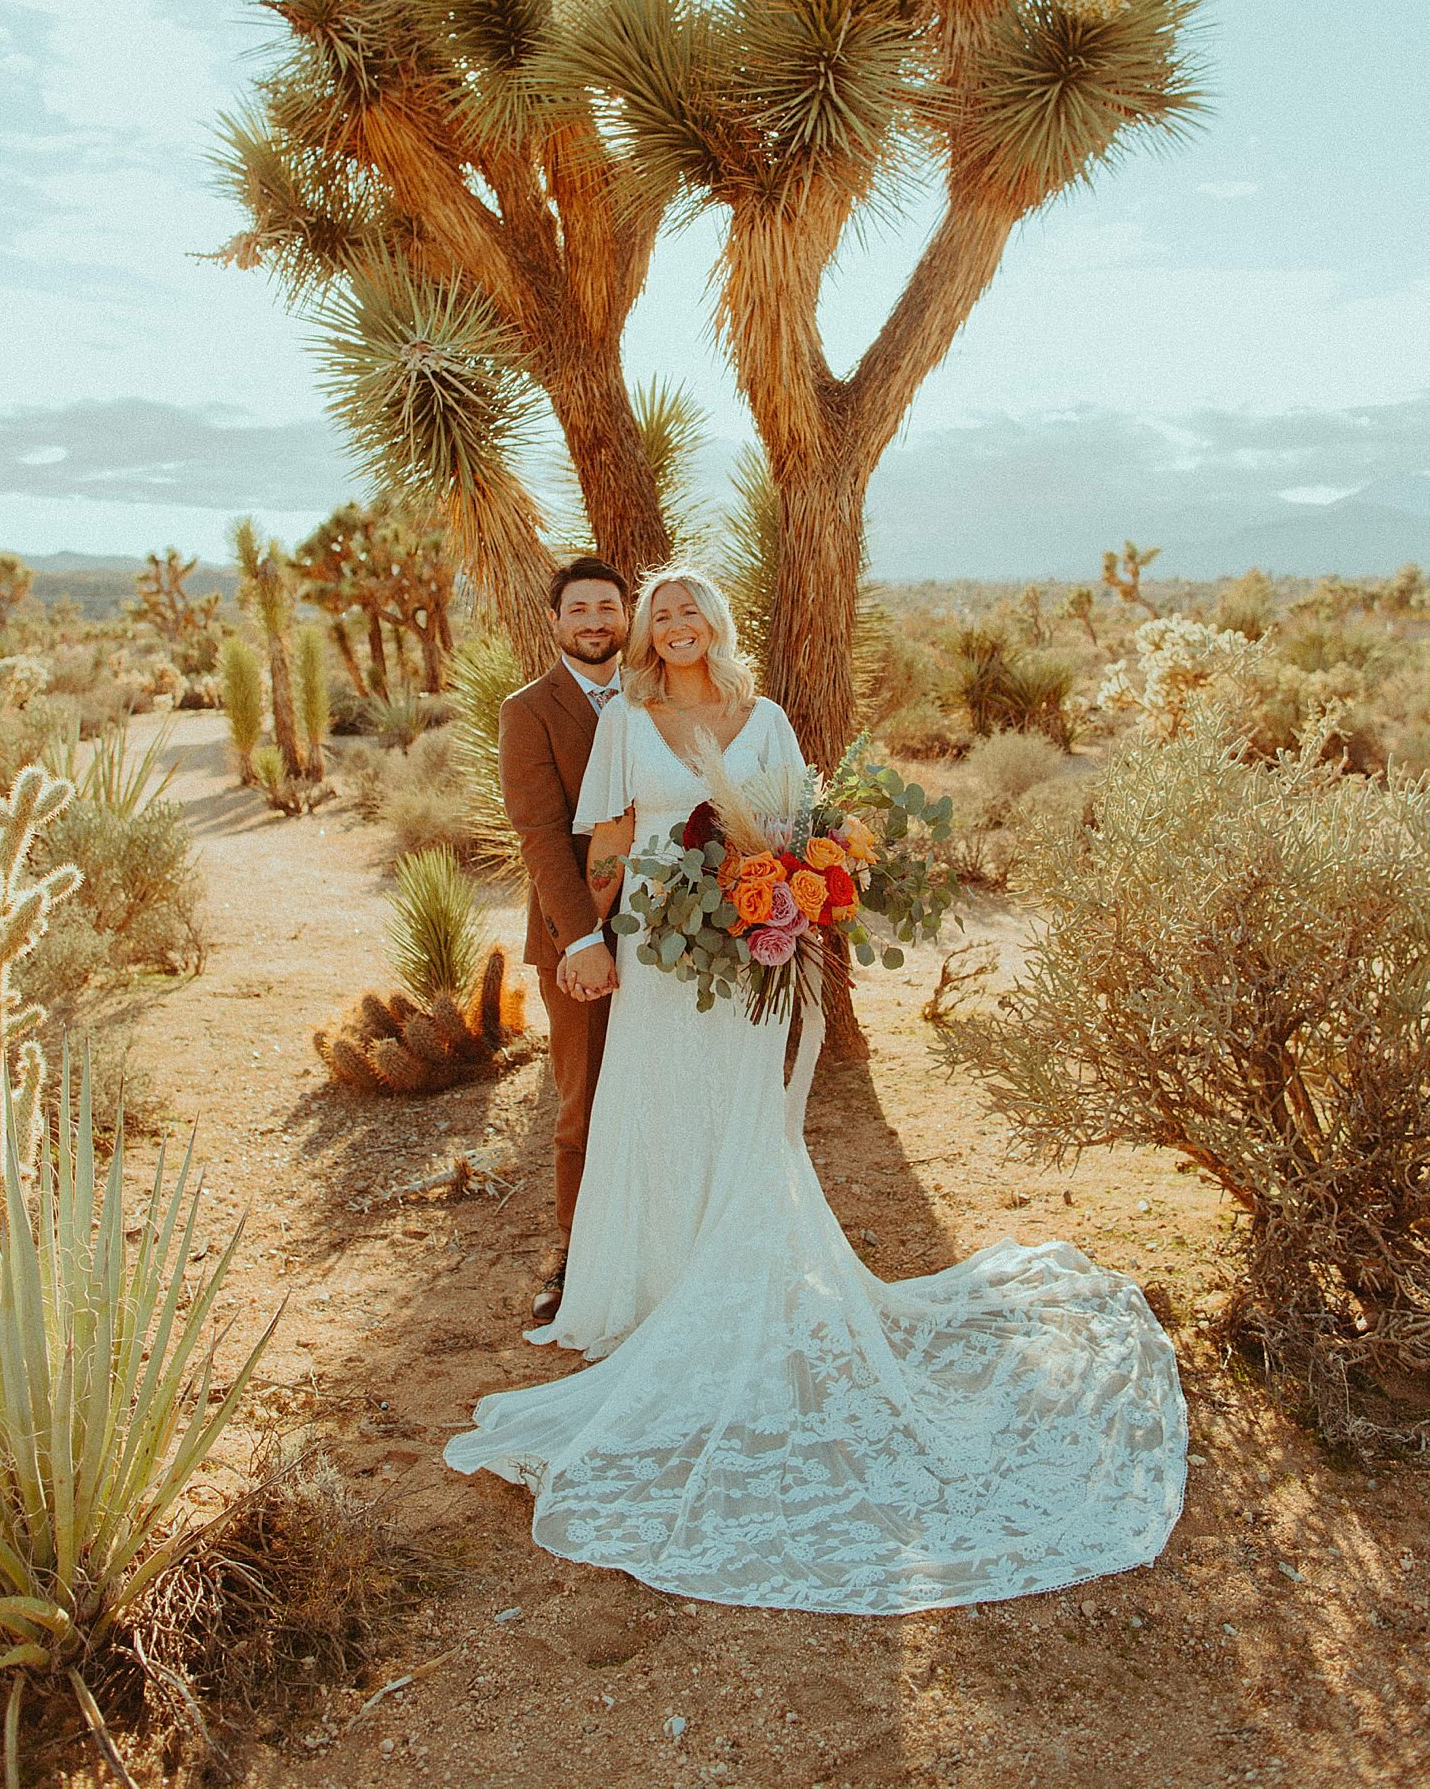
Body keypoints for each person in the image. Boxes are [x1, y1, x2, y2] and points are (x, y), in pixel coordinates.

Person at [447, 564, 1188, 1613]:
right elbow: (606, 841)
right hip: (657, 959)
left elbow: (798, 833)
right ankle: (656, 1290)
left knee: (744, 1123)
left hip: (750, 949)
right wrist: (590, 939)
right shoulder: (631, 720)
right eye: (660, 613)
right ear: (646, 636)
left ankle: (742, 1282)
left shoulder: (767, 718)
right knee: (656, 1117)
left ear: (713, 620)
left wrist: (792, 919)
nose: (673, 624)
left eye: (685, 607)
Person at [497, 555, 629, 1325]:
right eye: (577, 609)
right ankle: (576, 1259)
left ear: (625, 615)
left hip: (672, 935)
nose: (593, 622)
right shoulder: (530, 709)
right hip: (575, 938)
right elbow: (540, 833)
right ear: (555, 622)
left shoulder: (655, 697)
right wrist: (582, 939)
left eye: (606, 608)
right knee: (583, 1102)